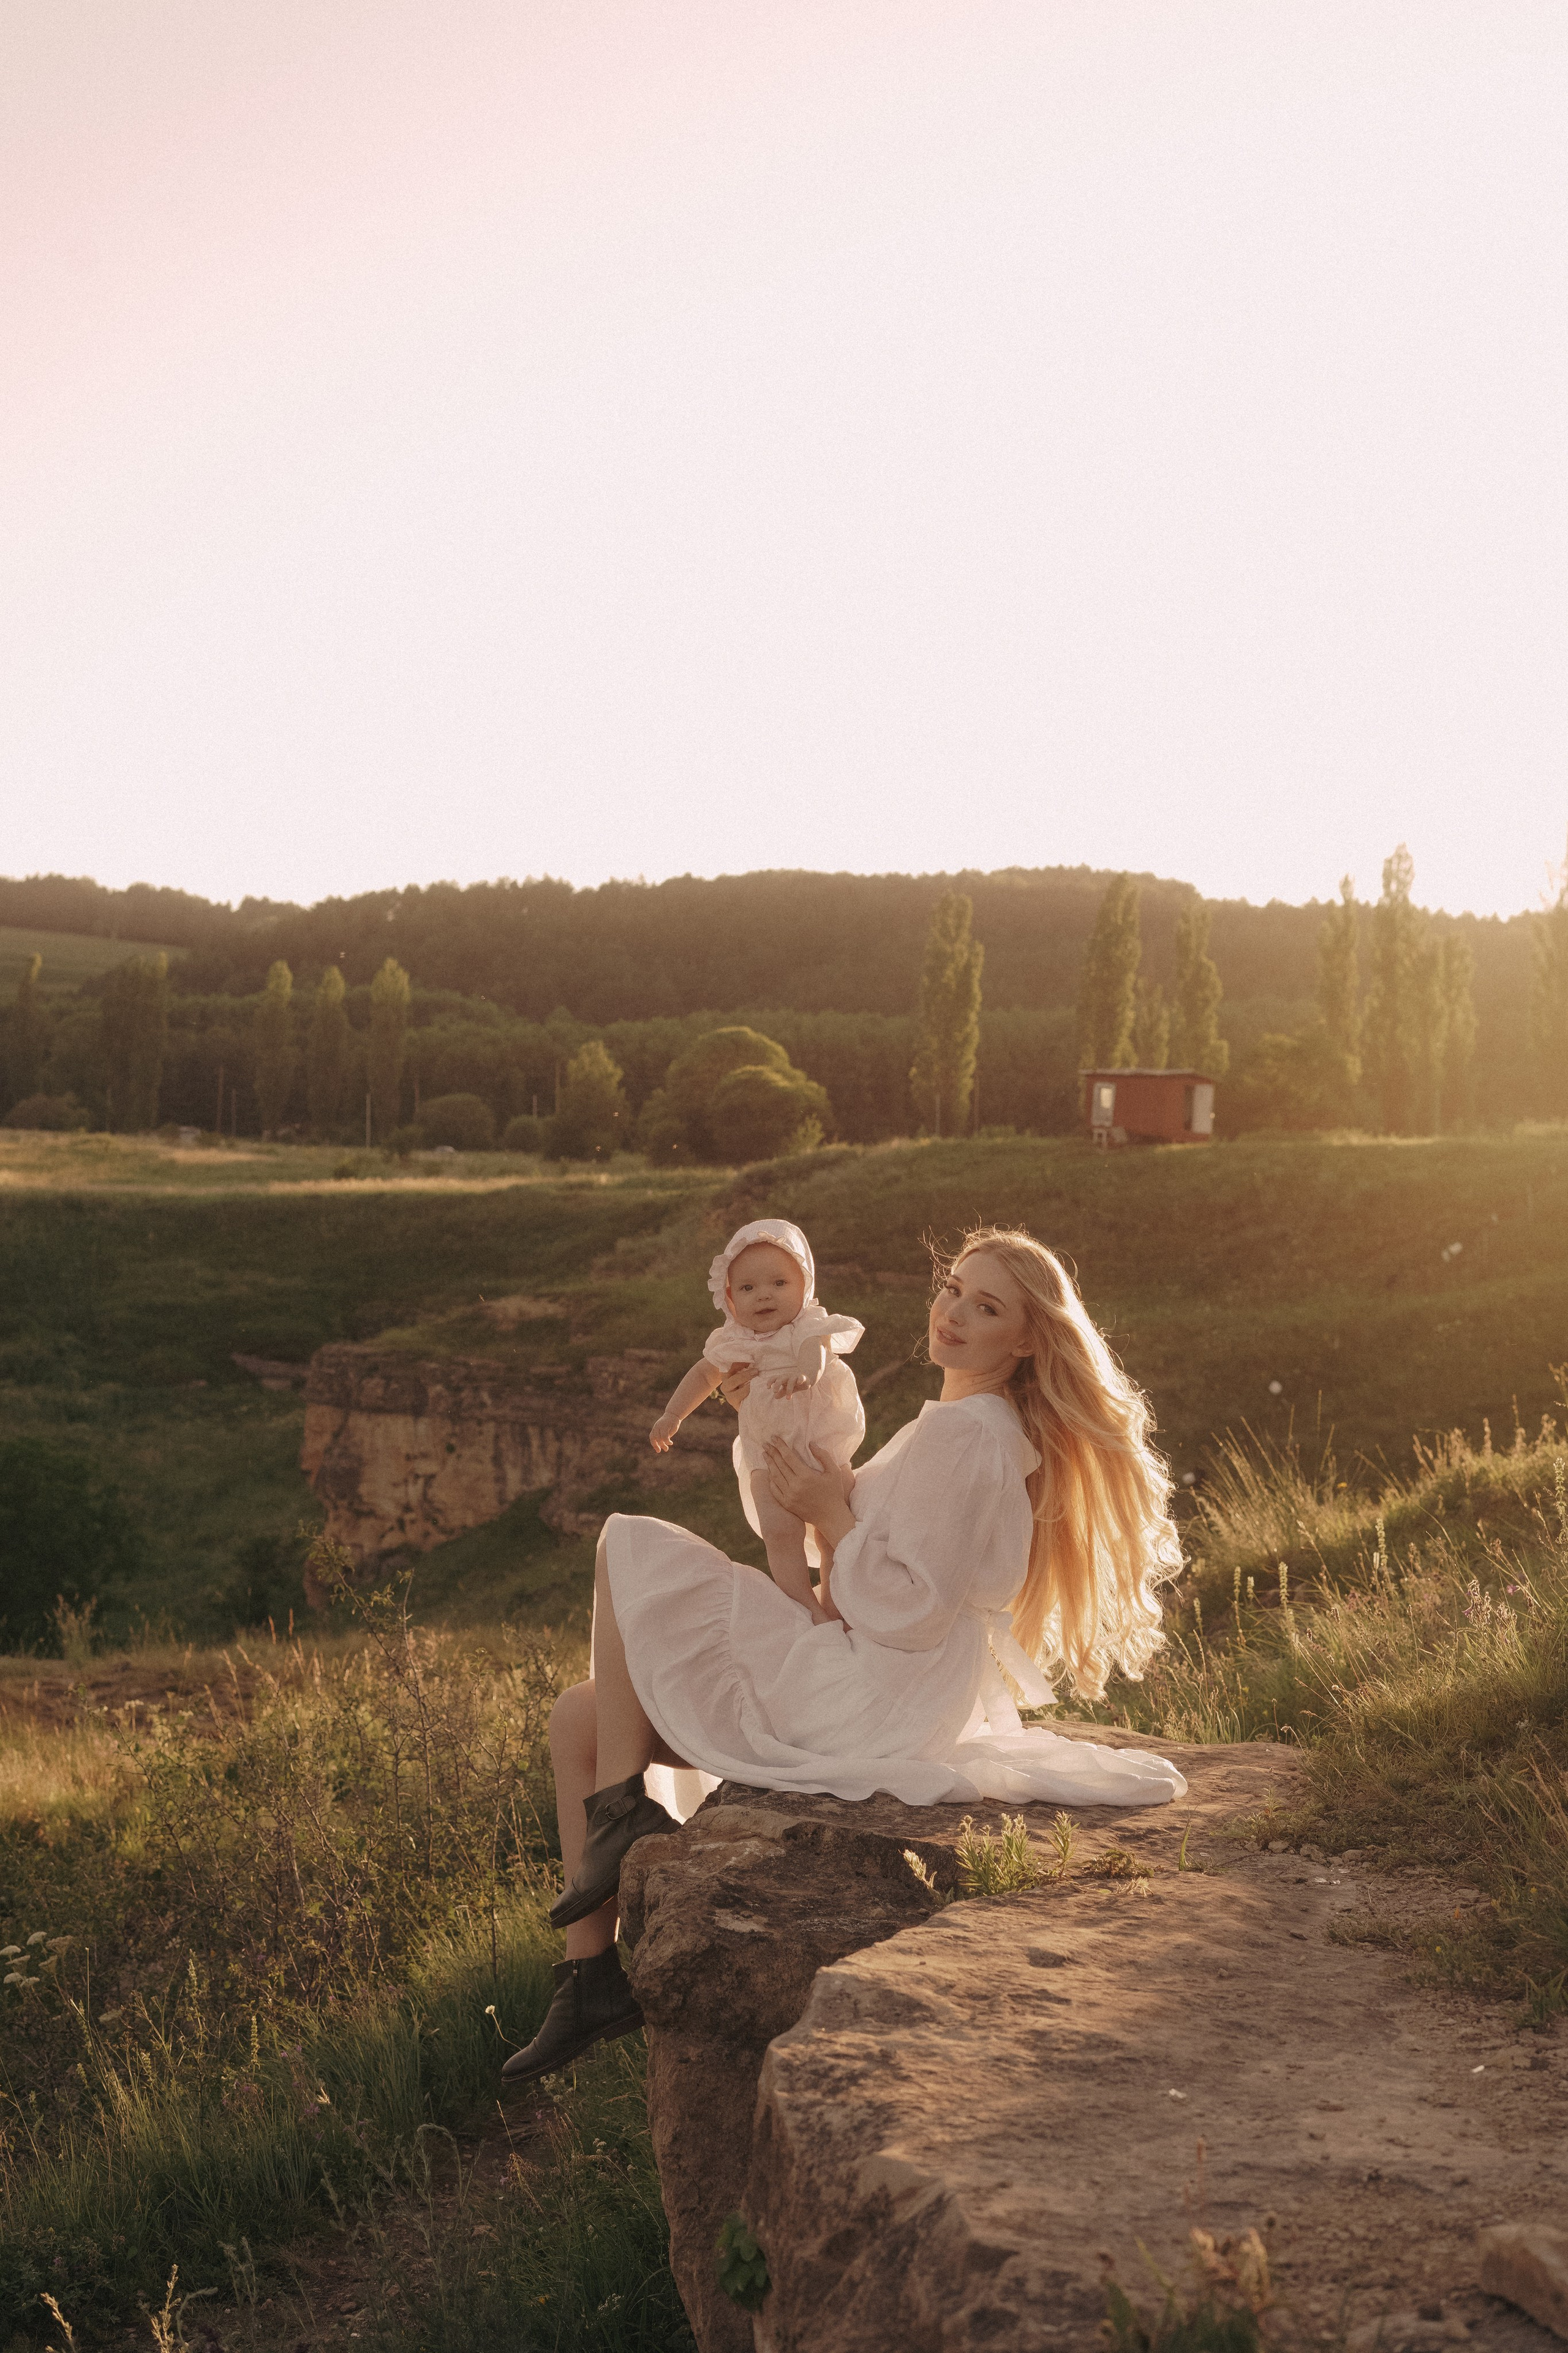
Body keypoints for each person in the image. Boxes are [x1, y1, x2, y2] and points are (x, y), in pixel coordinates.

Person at [502, 1225, 1188, 2083]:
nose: (953, 1314)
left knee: (629, 1545)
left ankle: (619, 1824)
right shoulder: (960, 1424)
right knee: (581, 1716)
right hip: (881, 1675)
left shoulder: (971, 1433)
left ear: (1026, 1340)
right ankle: (588, 1977)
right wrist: (779, 1441)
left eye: (987, 1307)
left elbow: (915, 1608)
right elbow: (846, 1550)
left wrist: (831, 1511)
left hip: (878, 1690)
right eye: (953, 1290)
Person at [649, 1218, 864, 1620]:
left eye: (780, 1283)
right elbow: (704, 1375)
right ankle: (804, 1609)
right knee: (779, 1531)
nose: (764, 1295)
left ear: (804, 1285)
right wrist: (673, 1413)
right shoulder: (734, 1340)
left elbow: (815, 1353)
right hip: (768, 1455)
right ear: (730, 1298)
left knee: (832, 1534)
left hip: (824, 1450)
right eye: (748, 1288)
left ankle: (838, 1606)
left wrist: (806, 1375)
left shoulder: (807, 1327)